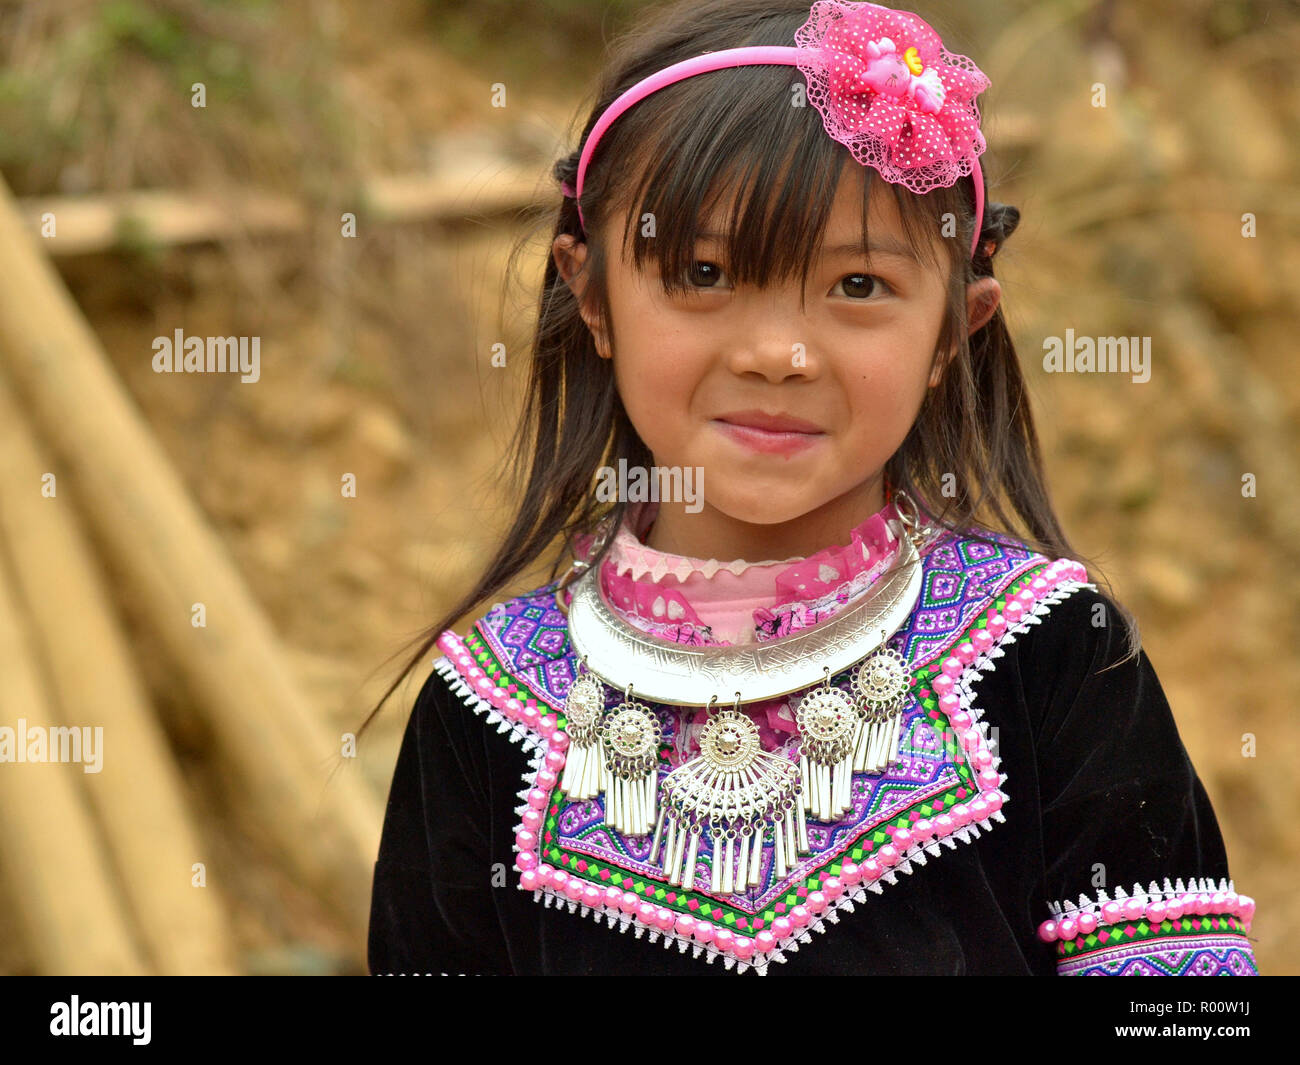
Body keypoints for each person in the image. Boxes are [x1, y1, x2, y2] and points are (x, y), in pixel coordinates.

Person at [363, 0, 1258, 975]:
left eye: (858, 288)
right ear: (592, 296)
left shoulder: (1056, 657)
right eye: (703, 271)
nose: (779, 354)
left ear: (954, 331)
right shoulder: (486, 706)